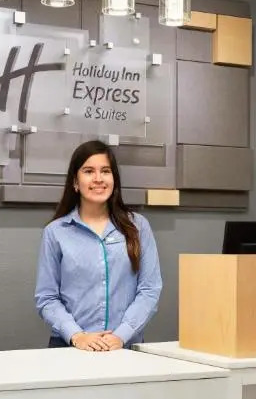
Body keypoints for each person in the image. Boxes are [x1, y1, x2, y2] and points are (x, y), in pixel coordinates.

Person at [34, 140, 162, 351]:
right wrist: (77, 336)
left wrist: (121, 335)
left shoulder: (138, 226)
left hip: (124, 347)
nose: (98, 179)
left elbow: (149, 290)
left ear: (114, 179)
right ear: (75, 182)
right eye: (88, 171)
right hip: (71, 348)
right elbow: (47, 298)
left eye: (105, 171)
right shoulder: (55, 232)